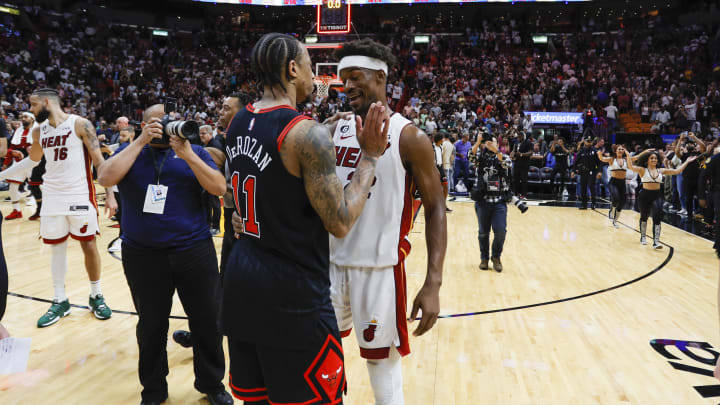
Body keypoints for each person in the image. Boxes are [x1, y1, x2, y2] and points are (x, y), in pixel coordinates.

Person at [221, 33, 388, 405]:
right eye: (312, 68)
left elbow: (234, 197)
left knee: (256, 399)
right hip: (292, 299)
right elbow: (340, 221)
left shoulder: (237, 122)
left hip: (241, 286)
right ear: (293, 69)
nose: (316, 78)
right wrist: (371, 157)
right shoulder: (305, 134)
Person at [326, 38, 446, 405]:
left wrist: (433, 284)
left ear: (381, 77)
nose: (347, 86)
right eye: (343, 79)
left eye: (356, 76)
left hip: (378, 270)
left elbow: (436, 208)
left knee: (383, 374)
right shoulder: (334, 128)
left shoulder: (410, 137)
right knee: (321, 367)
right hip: (327, 265)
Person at [97, 104, 232, 405]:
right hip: (143, 255)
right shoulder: (129, 150)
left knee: (207, 321)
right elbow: (105, 178)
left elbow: (219, 187)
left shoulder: (193, 150)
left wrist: (187, 154)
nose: (162, 128)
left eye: (166, 122)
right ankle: (154, 391)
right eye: (154, 123)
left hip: (194, 249)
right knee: (151, 325)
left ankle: (212, 383)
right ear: (142, 125)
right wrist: (141, 141)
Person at [0, 88, 117, 328]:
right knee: (57, 248)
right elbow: (32, 160)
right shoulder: (37, 130)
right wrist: (2, 174)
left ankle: (96, 295)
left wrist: (111, 194)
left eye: (33, 105)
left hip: (79, 194)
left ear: (45, 102)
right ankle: (59, 300)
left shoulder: (80, 124)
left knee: (89, 244)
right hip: (52, 195)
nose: (31, 111)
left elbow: (99, 162)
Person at [627, 151, 696, 248]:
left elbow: (677, 171)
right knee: (644, 217)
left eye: (655, 158)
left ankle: (656, 242)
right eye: (651, 158)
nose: (654, 160)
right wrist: (634, 154)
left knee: (657, 217)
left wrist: (687, 162)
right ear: (647, 160)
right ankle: (643, 237)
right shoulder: (642, 170)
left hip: (657, 195)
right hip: (645, 195)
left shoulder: (661, 170)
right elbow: (630, 166)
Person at [470, 132, 512, 272]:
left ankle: (496, 257)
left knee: (500, 231)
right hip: (483, 201)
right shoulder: (480, 157)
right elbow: (471, 157)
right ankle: (484, 258)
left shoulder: (502, 156)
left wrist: (496, 150)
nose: (489, 144)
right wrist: (478, 141)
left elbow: (507, 164)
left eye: (492, 142)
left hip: (499, 201)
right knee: (483, 233)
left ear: (497, 144)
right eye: (487, 142)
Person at [2, 112, 36, 219]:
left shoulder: (38, 130)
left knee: (39, 187)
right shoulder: (18, 130)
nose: (23, 119)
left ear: (32, 119)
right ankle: (16, 210)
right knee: (13, 186)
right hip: (18, 162)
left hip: (33, 161)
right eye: (22, 117)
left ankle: (42, 209)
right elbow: (11, 148)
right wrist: (7, 161)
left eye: (25, 117)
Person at [200, 124, 223, 235]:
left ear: (210, 133)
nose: (201, 136)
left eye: (203, 133)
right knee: (206, 201)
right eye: (200, 133)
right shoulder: (206, 145)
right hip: (206, 177)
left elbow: (218, 164)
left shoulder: (215, 145)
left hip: (214, 177)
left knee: (214, 202)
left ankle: (216, 226)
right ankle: (207, 224)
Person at [574, 137, 601, 209]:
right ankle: (584, 204)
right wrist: (574, 171)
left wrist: (599, 171)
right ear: (584, 142)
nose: (588, 142)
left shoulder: (594, 151)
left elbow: (599, 163)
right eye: (587, 141)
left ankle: (593, 203)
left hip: (592, 172)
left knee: (592, 187)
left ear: (592, 142)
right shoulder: (581, 151)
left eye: (590, 141)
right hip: (583, 172)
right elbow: (576, 162)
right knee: (583, 188)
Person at [510, 130, 533, 198]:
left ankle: (524, 194)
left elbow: (531, 152)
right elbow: (514, 150)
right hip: (517, 163)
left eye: (519, 137)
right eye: (518, 137)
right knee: (515, 179)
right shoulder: (516, 143)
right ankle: (516, 193)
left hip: (524, 163)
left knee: (524, 180)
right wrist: (512, 154)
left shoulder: (528, 142)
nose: (518, 138)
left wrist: (522, 154)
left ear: (523, 136)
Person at [434, 133, 450, 211]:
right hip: (433, 169)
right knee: (435, 189)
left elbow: (440, 159)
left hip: (440, 167)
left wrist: (442, 169)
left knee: (446, 187)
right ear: (439, 139)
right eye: (442, 139)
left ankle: (443, 204)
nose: (443, 140)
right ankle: (435, 206)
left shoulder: (440, 147)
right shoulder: (432, 147)